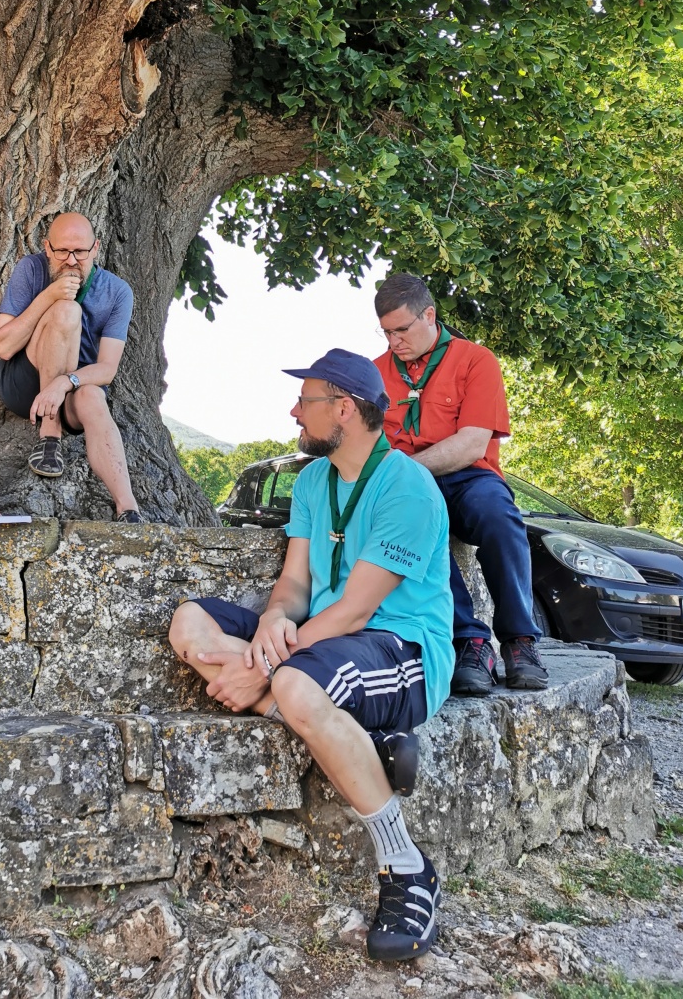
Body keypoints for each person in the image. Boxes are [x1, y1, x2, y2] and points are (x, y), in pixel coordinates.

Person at [169, 349, 453, 963]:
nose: (294, 412)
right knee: (190, 625)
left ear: (344, 410)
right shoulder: (310, 481)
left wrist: (264, 665)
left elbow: (355, 610)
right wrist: (273, 619)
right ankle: (360, 740)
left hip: (401, 649)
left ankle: (406, 867)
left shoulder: (407, 486)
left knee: (297, 687)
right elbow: (296, 584)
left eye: (307, 401)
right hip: (319, 640)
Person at [372, 272, 547, 695]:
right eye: (385, 332)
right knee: (408, 525)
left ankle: (520, 642)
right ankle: (470, 642)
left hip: (469, 476)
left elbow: (471, 445)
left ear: (429, 315)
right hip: (408, 483)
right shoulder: (375, 372)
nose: (393, 342)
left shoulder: (475, 360)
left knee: (499, 517)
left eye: (401, 330)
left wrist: (408, 468)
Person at [0, 212, 141, 521]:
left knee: (93, 396)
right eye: (62, 251)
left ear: (95, 248)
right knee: (66, 311)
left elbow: (107, 369)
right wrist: (50, 296)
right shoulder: (31, 269)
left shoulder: (118, 292)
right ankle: (50, 435)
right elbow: (4, 346)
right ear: (47, 248)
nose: (71, 260)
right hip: (23, 381)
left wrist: (64, 383)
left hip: (70, 391)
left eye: (80, 251)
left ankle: (128, 509)